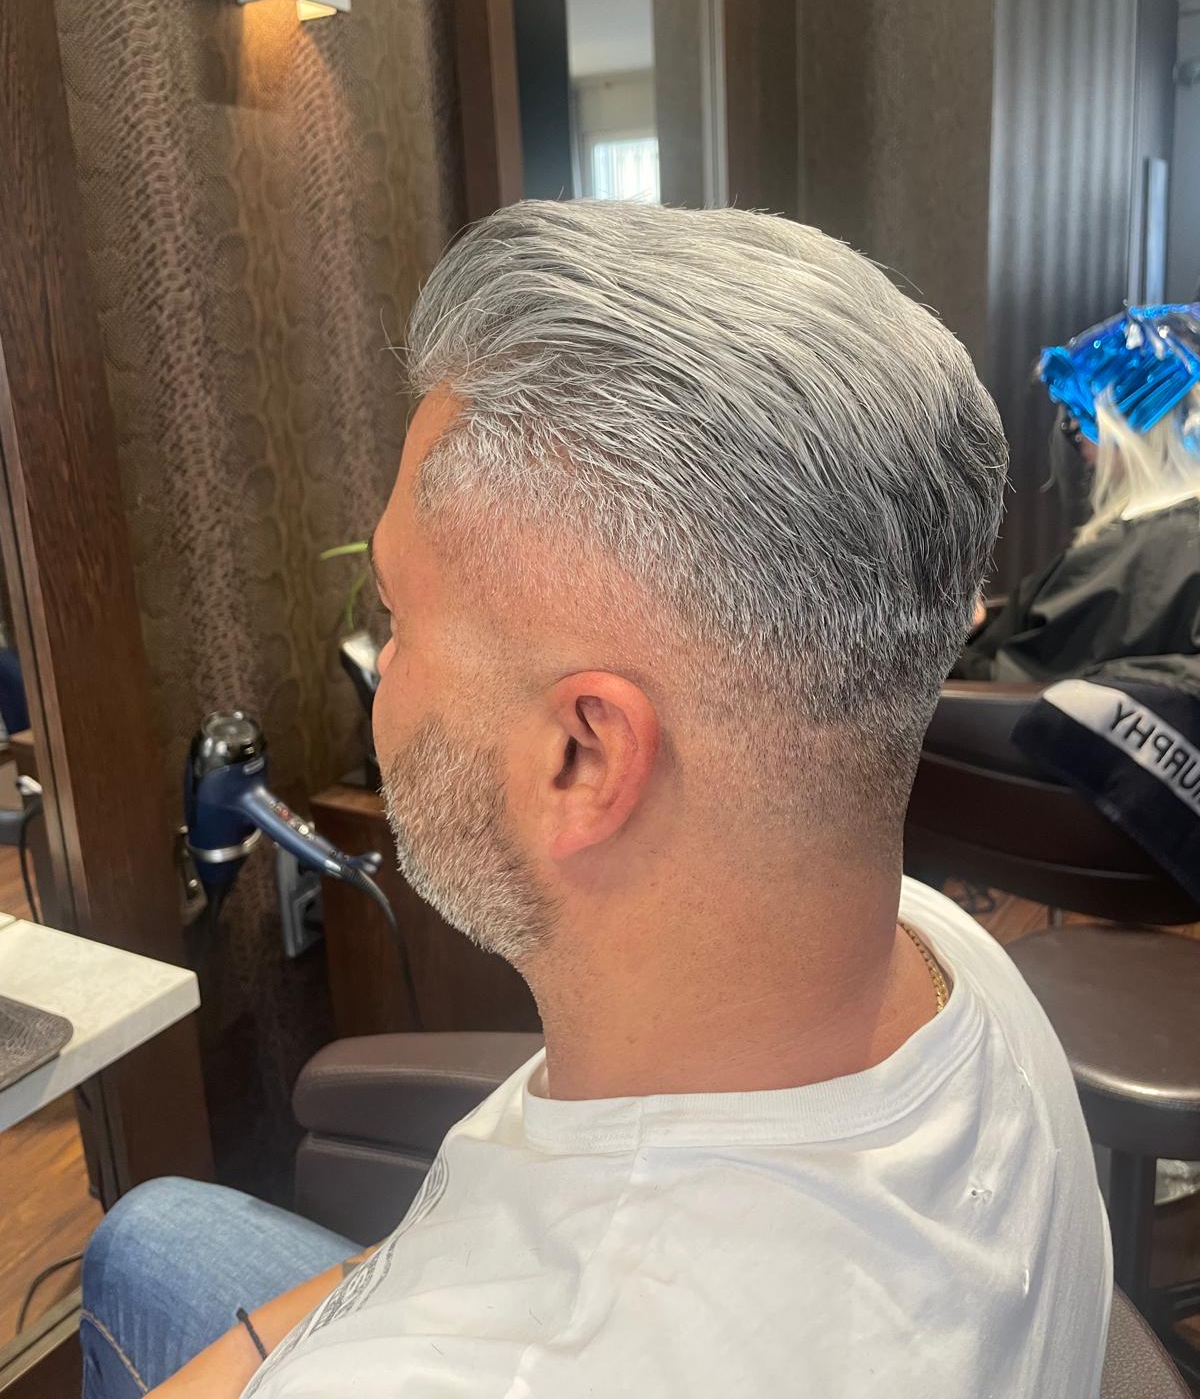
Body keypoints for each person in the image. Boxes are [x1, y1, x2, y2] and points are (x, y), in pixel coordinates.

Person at [81, 203, 1110, 1398]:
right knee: (152, 1236)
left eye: (398, 615)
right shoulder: (949, 959)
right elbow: (454, 1243)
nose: (384, 667)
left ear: (581, 755)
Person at [956, 303, 1200, 681]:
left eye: (1084, 417)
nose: (1073, 432)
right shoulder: (1172, 536)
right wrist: (980, 626)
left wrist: (941, 647)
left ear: (1132, 429)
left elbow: (1014, 682)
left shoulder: (1134, 558)